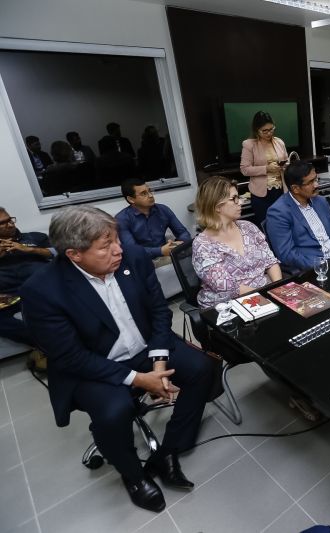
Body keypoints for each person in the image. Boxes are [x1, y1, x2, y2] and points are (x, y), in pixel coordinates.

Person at [20, 206, 215, 513]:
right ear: (74, 255)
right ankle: (134, 476)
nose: (118, 249)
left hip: (145, 348)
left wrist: (159, 363)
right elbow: (71, 356)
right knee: (114, 411)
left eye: (116, 239)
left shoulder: (132, 257)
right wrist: (140, 379)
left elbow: (159, 313)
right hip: (93, 364)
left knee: (202, 369)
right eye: (105, 246)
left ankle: (167, 450)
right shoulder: (42, 290)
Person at [192, 176, 281, 308]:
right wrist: (267, 300)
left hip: (265, 293)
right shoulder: (203, 245)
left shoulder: (248, 227)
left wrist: (279, 290)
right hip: (229, 305)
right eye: (234, 199)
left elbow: (270, 262)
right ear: (217, 206)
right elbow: (229, 288)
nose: (240, 202)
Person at [267, 161, 330, 271]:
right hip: (313, 269)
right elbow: (287, 254)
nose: (317, 185)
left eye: (316, 179)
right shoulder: (278, 212)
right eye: (311, 182)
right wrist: (321, 265)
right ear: (295, 188)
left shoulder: (321, 201)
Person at [0, 207, 55, 346]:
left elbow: (61, 254)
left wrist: (30, 249)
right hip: (10, 298)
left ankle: (51, 347)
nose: (11, 224)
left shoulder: (35, 237)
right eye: (3, 223)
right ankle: (49, 343)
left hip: (42, 291)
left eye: (10, 220)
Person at [115, 177, 191, 260]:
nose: (151, 196)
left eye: (150, 191)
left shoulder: (163, 210)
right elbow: (133, 251)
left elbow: (183, 232)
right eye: (144, 193)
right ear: (131, 199)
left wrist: (177, 244)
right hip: (141, 260)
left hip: (166, 255)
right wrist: (160, 251)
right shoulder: (121, 219)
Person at [239, 111, 289, 229]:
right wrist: (266, 168)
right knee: (267, 227)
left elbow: (286, 161)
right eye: (264, 131)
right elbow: (244, 169)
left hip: (281, 191)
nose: (269, 133)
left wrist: (285, 165)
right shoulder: (249, 145)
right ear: (257, 130)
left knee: (284, 224)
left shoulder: (279, 142)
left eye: (271, 129)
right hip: (262, 195)